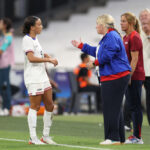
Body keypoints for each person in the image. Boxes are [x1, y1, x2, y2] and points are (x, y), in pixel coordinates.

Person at [71, 14, 131, 145]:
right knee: (115, 107)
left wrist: (94, 63)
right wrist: (82, 46)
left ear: (103, 25)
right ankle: (119, 138)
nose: (96, 27)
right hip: (115, 75)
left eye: (97, 24)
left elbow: (107, 56)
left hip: (115, 76)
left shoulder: (111, 37)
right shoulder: (108, 37)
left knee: (110, 107)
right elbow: (98, 52)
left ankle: (113, 138)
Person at [22, 16, 58, 145]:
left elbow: (37, 54)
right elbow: (31, 58)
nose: (41, 26)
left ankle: (45, 136)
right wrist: (48, 60)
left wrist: (46, 55)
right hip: (33, 77)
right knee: (35, 106)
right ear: (32, 27)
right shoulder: (26, 39)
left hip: (42, 76)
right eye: (39, 24)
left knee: (50, 105)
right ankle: (33, 137)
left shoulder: (35, 39)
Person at [121, 12, 145, 144]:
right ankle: (136, 135)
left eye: (123, 21)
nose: (121, 23)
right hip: (129, 76)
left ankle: (138, 137)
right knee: (132, 106)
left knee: (135, 107)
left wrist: (128, 76)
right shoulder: (126, 37)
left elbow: (134, 60)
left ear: (130, 23)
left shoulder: (134, 37)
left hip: (134, 76)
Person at [0, 18, 14, 116]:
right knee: (2, 87)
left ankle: (7, 108)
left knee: (5, 86)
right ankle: (4, 107)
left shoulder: (8, 37)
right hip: (1, 64)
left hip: (5, 64)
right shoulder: (3, 36)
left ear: (4, 25)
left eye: (0, 23)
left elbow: (2, 50)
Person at [139, 9, 150, 126]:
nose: (143, 17)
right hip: (146, 73)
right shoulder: (138, 33)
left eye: (146, 15)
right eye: (141, 16)